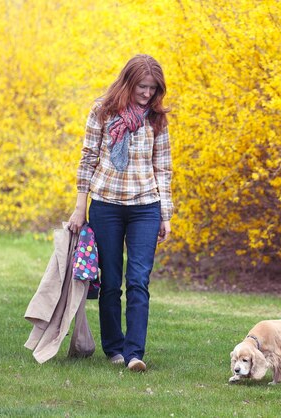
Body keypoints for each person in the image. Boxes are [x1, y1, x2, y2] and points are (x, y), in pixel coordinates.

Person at [68, 54, 173, 372]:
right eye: (142, 87)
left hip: (145, 207)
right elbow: (87, 160)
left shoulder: (156, 118)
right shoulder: (101, 111)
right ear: (128, 82)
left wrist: (165, 215)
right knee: (111, 282)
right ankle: (114, 347)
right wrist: (79, 209)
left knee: (139, 280)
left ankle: (134, 354)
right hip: (106, 205)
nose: (147, 94)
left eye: (153, 89)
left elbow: (163, 168)